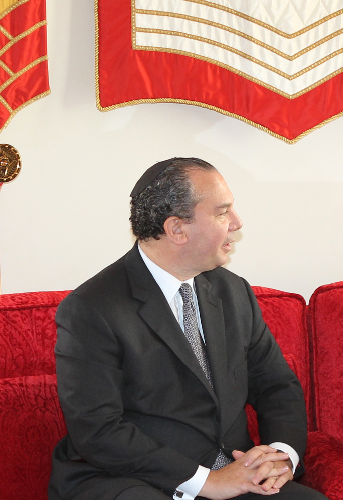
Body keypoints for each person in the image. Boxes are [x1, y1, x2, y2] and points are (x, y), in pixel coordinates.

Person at [49, 158, 327, 500]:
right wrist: (206, 482)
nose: (237, 223)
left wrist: (280, 457)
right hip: (131, 480)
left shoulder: (233, 291)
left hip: (232, 471)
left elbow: (276, 386)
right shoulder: (92, 308)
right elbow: (97, 429)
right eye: (223, 212)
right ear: (177, 230)